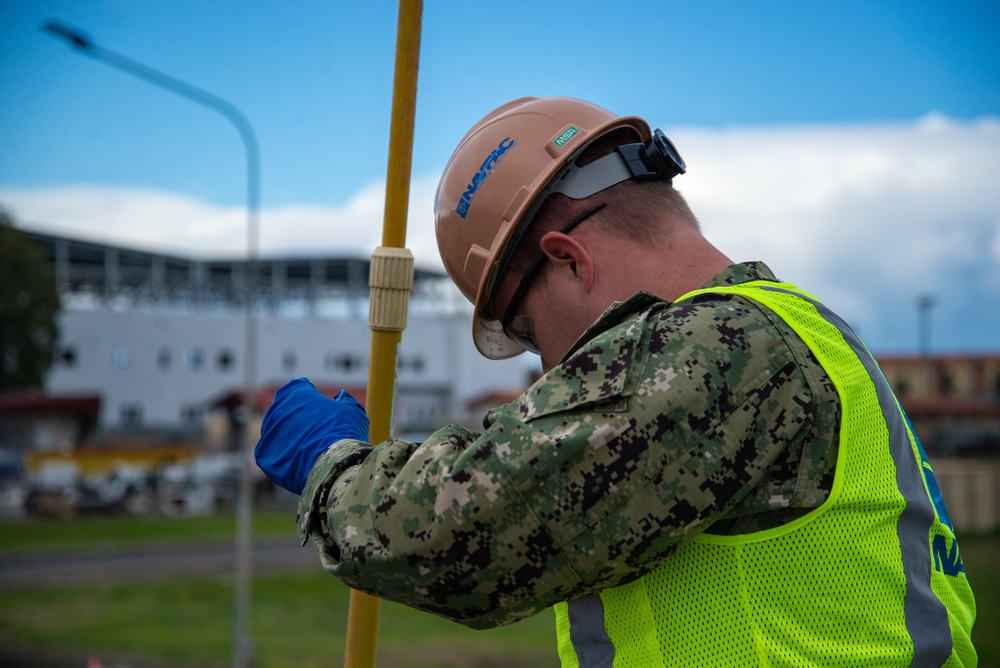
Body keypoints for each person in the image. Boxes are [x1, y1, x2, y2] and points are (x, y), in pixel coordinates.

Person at [255, 96, 977, 666]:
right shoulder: (797, 332)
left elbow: (459, 535)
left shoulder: (716, 349)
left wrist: (333, 466)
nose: (548, 373)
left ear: (569, 258)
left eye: (531, 332)